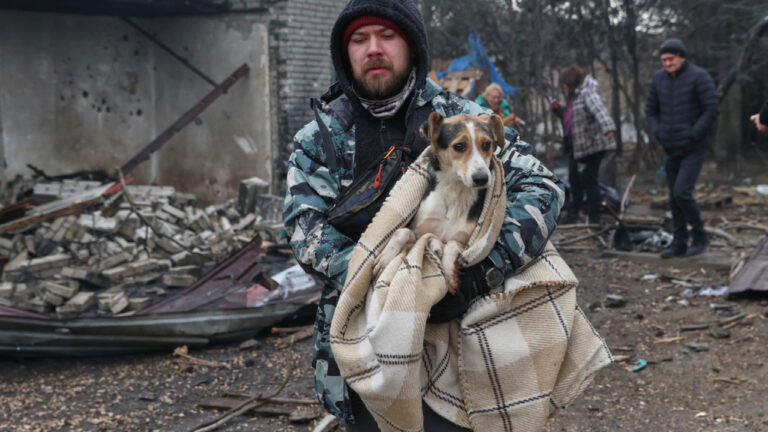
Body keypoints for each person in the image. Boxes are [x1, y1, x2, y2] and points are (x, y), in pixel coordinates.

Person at [282, 0, 565, 429]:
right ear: (345, 54)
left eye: (387, 36)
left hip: (464, 343)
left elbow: (542, 188)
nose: (373, 48)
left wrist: (480, 271)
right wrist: (389, 285)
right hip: (367, 346)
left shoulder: (463, 120)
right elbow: (305, 230)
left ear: (412, 46)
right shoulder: (320, 139)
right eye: (359, 39)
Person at [646, 38, 719, 258]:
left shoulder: (699, 77)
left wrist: (693, 133)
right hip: (670, 147)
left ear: (682, 57)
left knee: (682, 193)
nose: (667, 63)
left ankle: (700, 236)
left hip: (693, 148)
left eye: (670, 59)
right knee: (673, 197)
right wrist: (658, 131)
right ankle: (679, 242)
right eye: (663, 60)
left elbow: (711, 110)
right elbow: (651, 110)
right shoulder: (659, 79)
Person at [552, 65, 616, 225]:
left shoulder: (588, 93)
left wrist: (608, 128)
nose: (564, 89)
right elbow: (571, 117)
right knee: (574, 179)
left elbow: (599, 110)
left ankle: (595, 216)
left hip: (592, 146)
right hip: (579, 146)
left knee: (588, 179)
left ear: (570, 83)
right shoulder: (575, 96)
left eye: (565, 86)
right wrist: (557, 109)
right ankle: (574, 213)